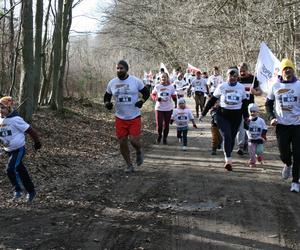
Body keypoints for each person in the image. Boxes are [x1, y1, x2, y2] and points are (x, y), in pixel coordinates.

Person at [104, 60, 150, 173]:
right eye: (117, 68)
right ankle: (129, 165)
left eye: (121, 68)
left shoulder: (135, 81)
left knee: (133, 141)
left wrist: (142, 101)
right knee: (122, 142)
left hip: (134, 116)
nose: (119, 70)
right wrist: (107, 104)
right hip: (120, 117)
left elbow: (146, 92)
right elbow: (106, 97)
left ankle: (139, 151)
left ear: (126, 69)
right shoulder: (112, 83)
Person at [199, 67, 248, 171]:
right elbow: (212, 100)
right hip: (222, 115)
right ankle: (228, 159)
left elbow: (244, 104)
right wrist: (203, 113)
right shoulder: (222, 86)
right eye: (231, 75)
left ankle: (228, 154)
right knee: (227, 136)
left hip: (236, 116)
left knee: (232, 137)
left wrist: (246, 116)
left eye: (235, 76)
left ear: (237, 77)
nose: (233, 78)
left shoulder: (241, 87)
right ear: (227, 76)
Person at [265, 58, 300, 193]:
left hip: (297, 125)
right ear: (281, 71)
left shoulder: (298, 85)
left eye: (290, 68)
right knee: (284, 153)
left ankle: (295, 181)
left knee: (298, 154)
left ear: (293, 70)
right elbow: (268, 104)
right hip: (282, 125)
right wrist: (271, 117)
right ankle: (287, 164)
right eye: (285, 68)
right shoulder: (275, 86)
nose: (288, 71)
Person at [0, 96, 42, 202]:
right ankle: (31, 191)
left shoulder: (16, 119)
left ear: (9, 108)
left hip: (18, 150)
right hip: (8, 150)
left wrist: (37, 142)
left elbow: (31, 130)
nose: (1, 110)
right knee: (21, 170)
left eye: (3, 108)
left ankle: (17, 191)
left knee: (10, 169)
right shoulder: (0, 119)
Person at [236, 62, 262, 156]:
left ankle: (247, 145)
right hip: (239, 106)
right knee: (241, 127)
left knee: (248, 126)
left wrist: (254, 91)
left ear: (247, 70)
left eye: (243, 71)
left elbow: (260, 92)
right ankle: (241, 146)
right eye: (240, 71)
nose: (241, 73)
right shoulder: (236, 79)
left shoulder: (253, 78)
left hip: (250, 106)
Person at [151, 72, 177, 145]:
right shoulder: (157, 86)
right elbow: (153, 95)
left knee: (166, 125)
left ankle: (165, 138)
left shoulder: (171, 87)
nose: (163, 78)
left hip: (168, 108)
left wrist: (175, 100)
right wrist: (156, 98)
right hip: (159, 108)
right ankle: (159, 136)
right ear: (160, 78)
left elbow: (174, 95)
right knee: (159, 125)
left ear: (167, 78)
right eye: (162, 77)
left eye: (165, 77)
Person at [245, 103, 267, 168]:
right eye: (251, 112)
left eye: (254, 111)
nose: (252, 113)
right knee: (252, 152)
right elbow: (245, 128)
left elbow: (265, 128)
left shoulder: (261, 121)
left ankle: (258, 155)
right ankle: (252, 162)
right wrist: (247, 123)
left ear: (257, 112)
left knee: (259, 151)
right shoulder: (248, 120)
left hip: (259, 139)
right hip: (251, 139)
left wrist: (263, 136)